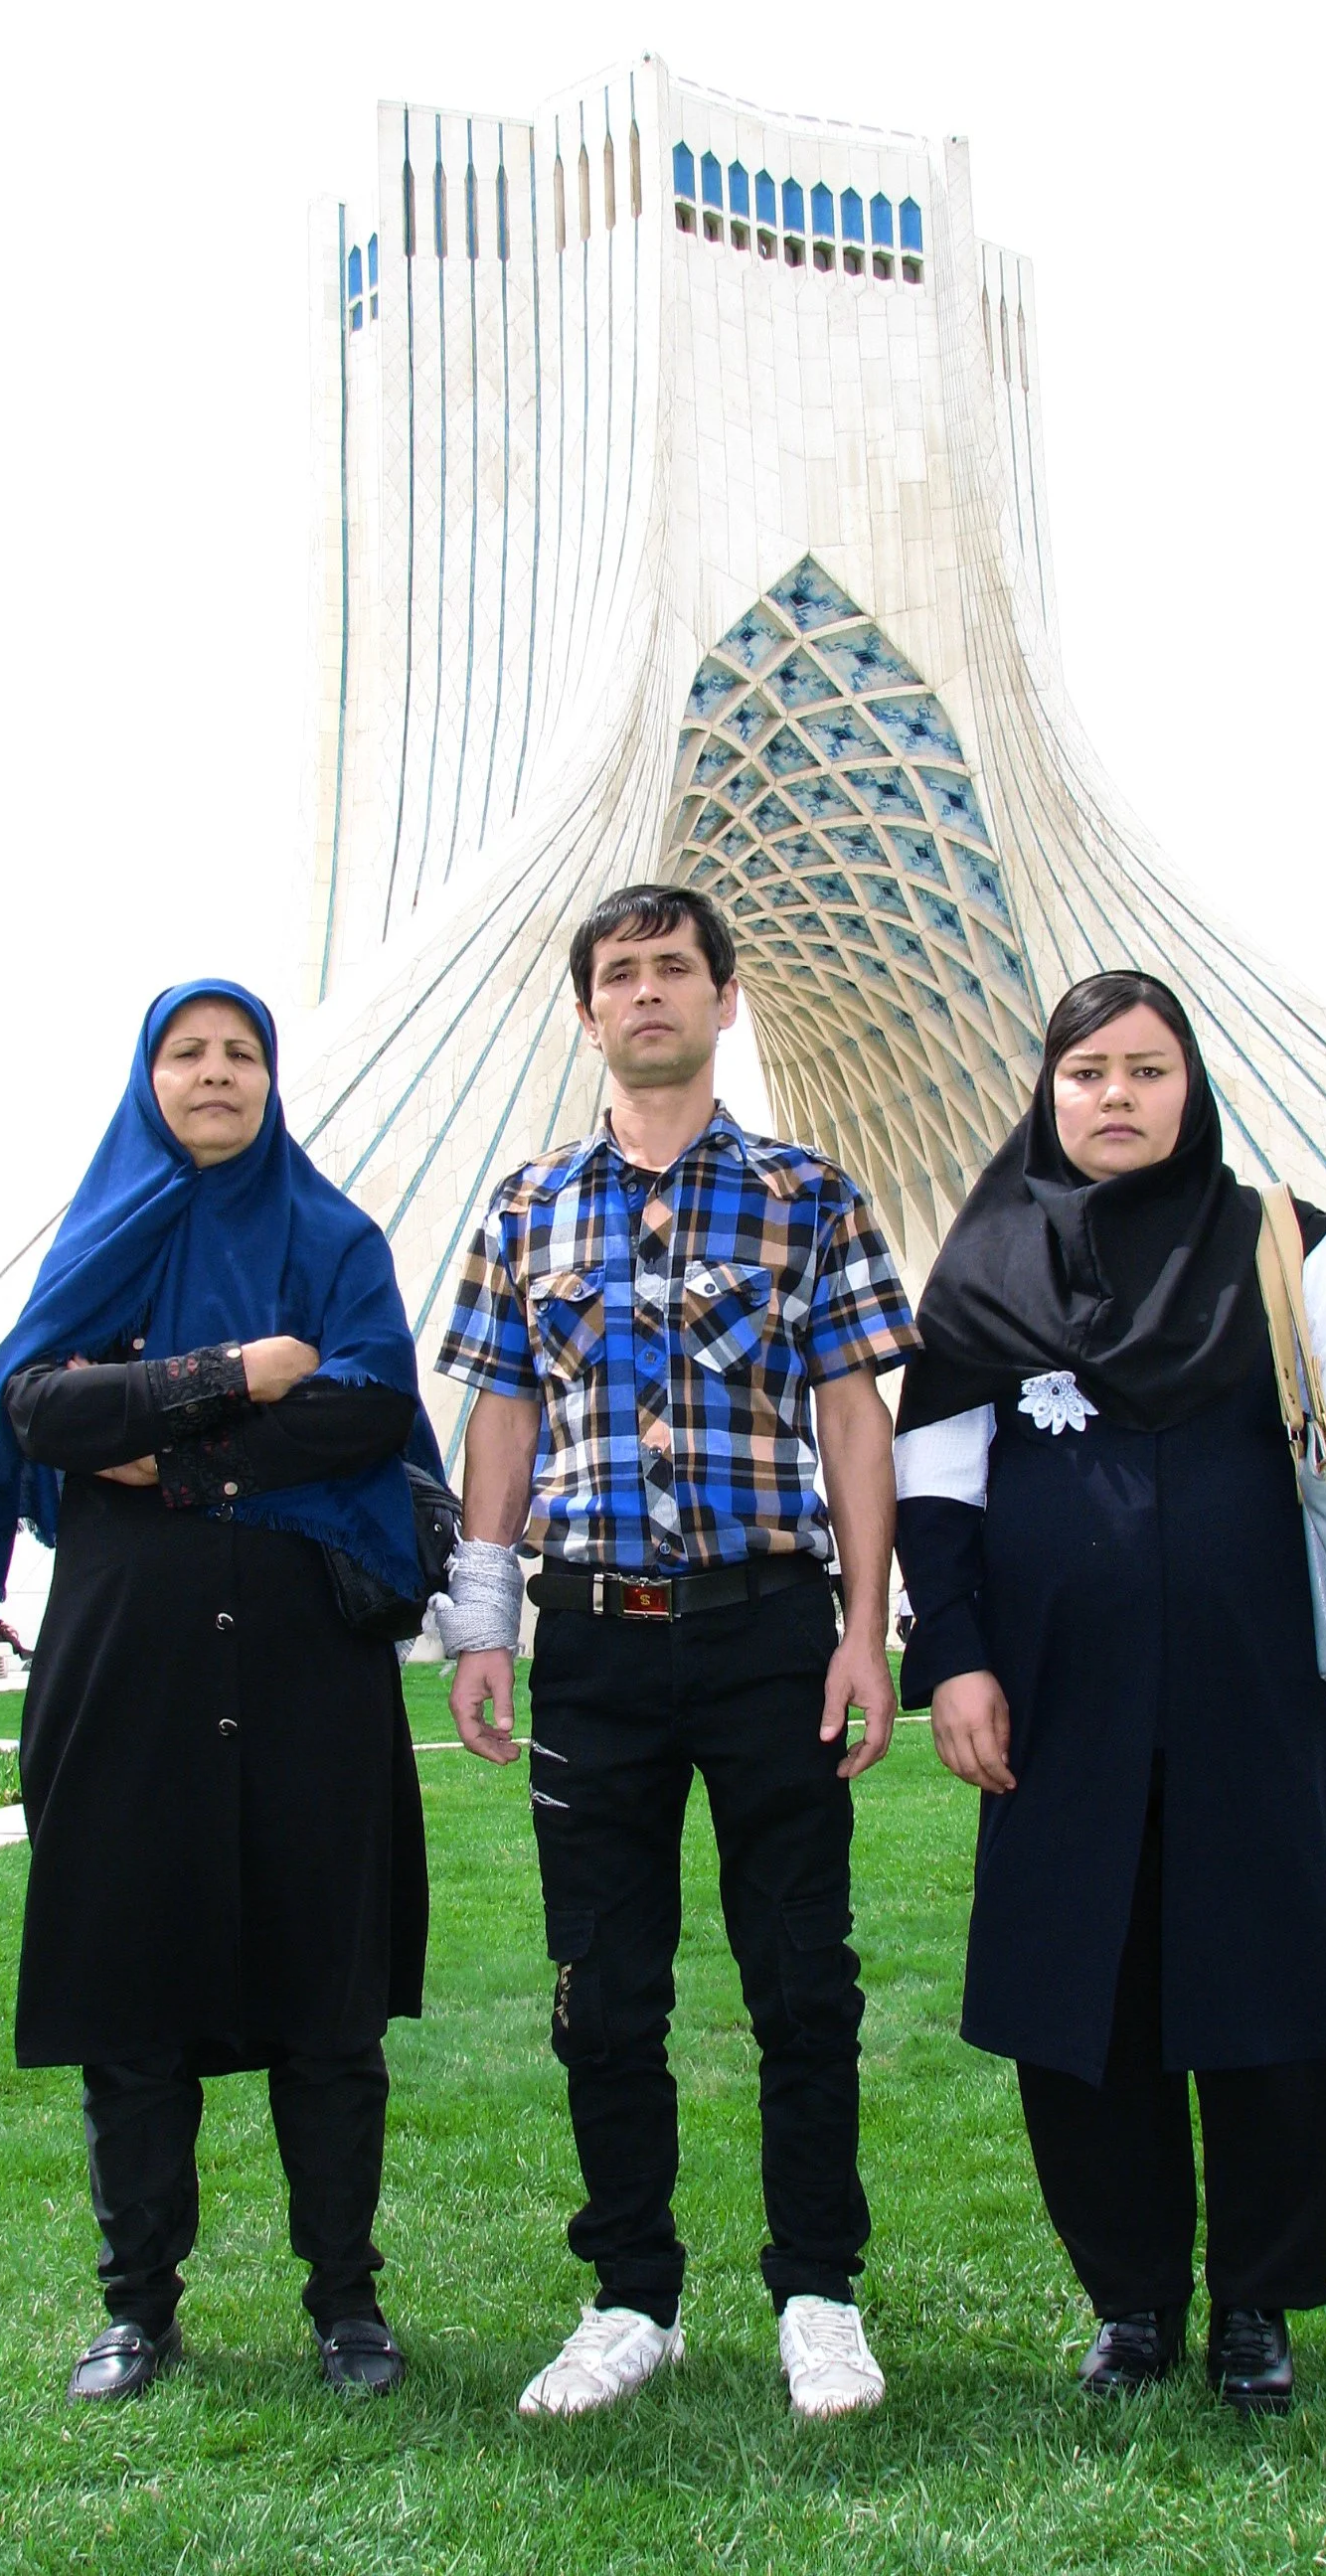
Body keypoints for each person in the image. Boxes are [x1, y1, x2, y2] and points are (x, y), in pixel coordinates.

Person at [894, 970, 1326, 2417]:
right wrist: (952, 1656)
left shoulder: (1282, 1242)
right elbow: (937, 1490)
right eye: (1088, 1074)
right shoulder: (983, 1268)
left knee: (1260, 1979)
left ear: (1189, 1086)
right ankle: (1133, 2302)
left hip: (1249, 1680)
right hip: (1055, 1694)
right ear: (1048, 1091)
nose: (1117, 1098)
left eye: (1146, 1070)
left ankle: (1256, 2305)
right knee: (1079, 1988)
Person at [431, 884, 919, 2422]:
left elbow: (855, 1421)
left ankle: (819, 2294)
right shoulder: (527, 1210)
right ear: (588, 1013)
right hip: (591, 1641)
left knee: (802, 1976)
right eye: (620, 976)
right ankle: (631, 2294)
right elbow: (501, 1422)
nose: (648, 995)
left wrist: (865, 1630)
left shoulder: (807, 1195)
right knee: (603, 1986)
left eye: (675, 971)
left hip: (768, 1631)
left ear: (725, 1000)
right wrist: (484, 1628)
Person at [0, 981, 436, 2403]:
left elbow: (371, 1404)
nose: (216, 1075)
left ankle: (348, 2307)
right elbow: (39, 1409)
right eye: (186, 1053)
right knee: (129, 2002)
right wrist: (242, 1370)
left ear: (274, 1077)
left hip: (305, 1672)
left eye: (242, 1053)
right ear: (148, 1079)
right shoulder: (101, 1239)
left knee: (325, 2011)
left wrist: (169, 1441)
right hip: (127, 1665)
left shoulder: (334, 1238)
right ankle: (137, 2309)